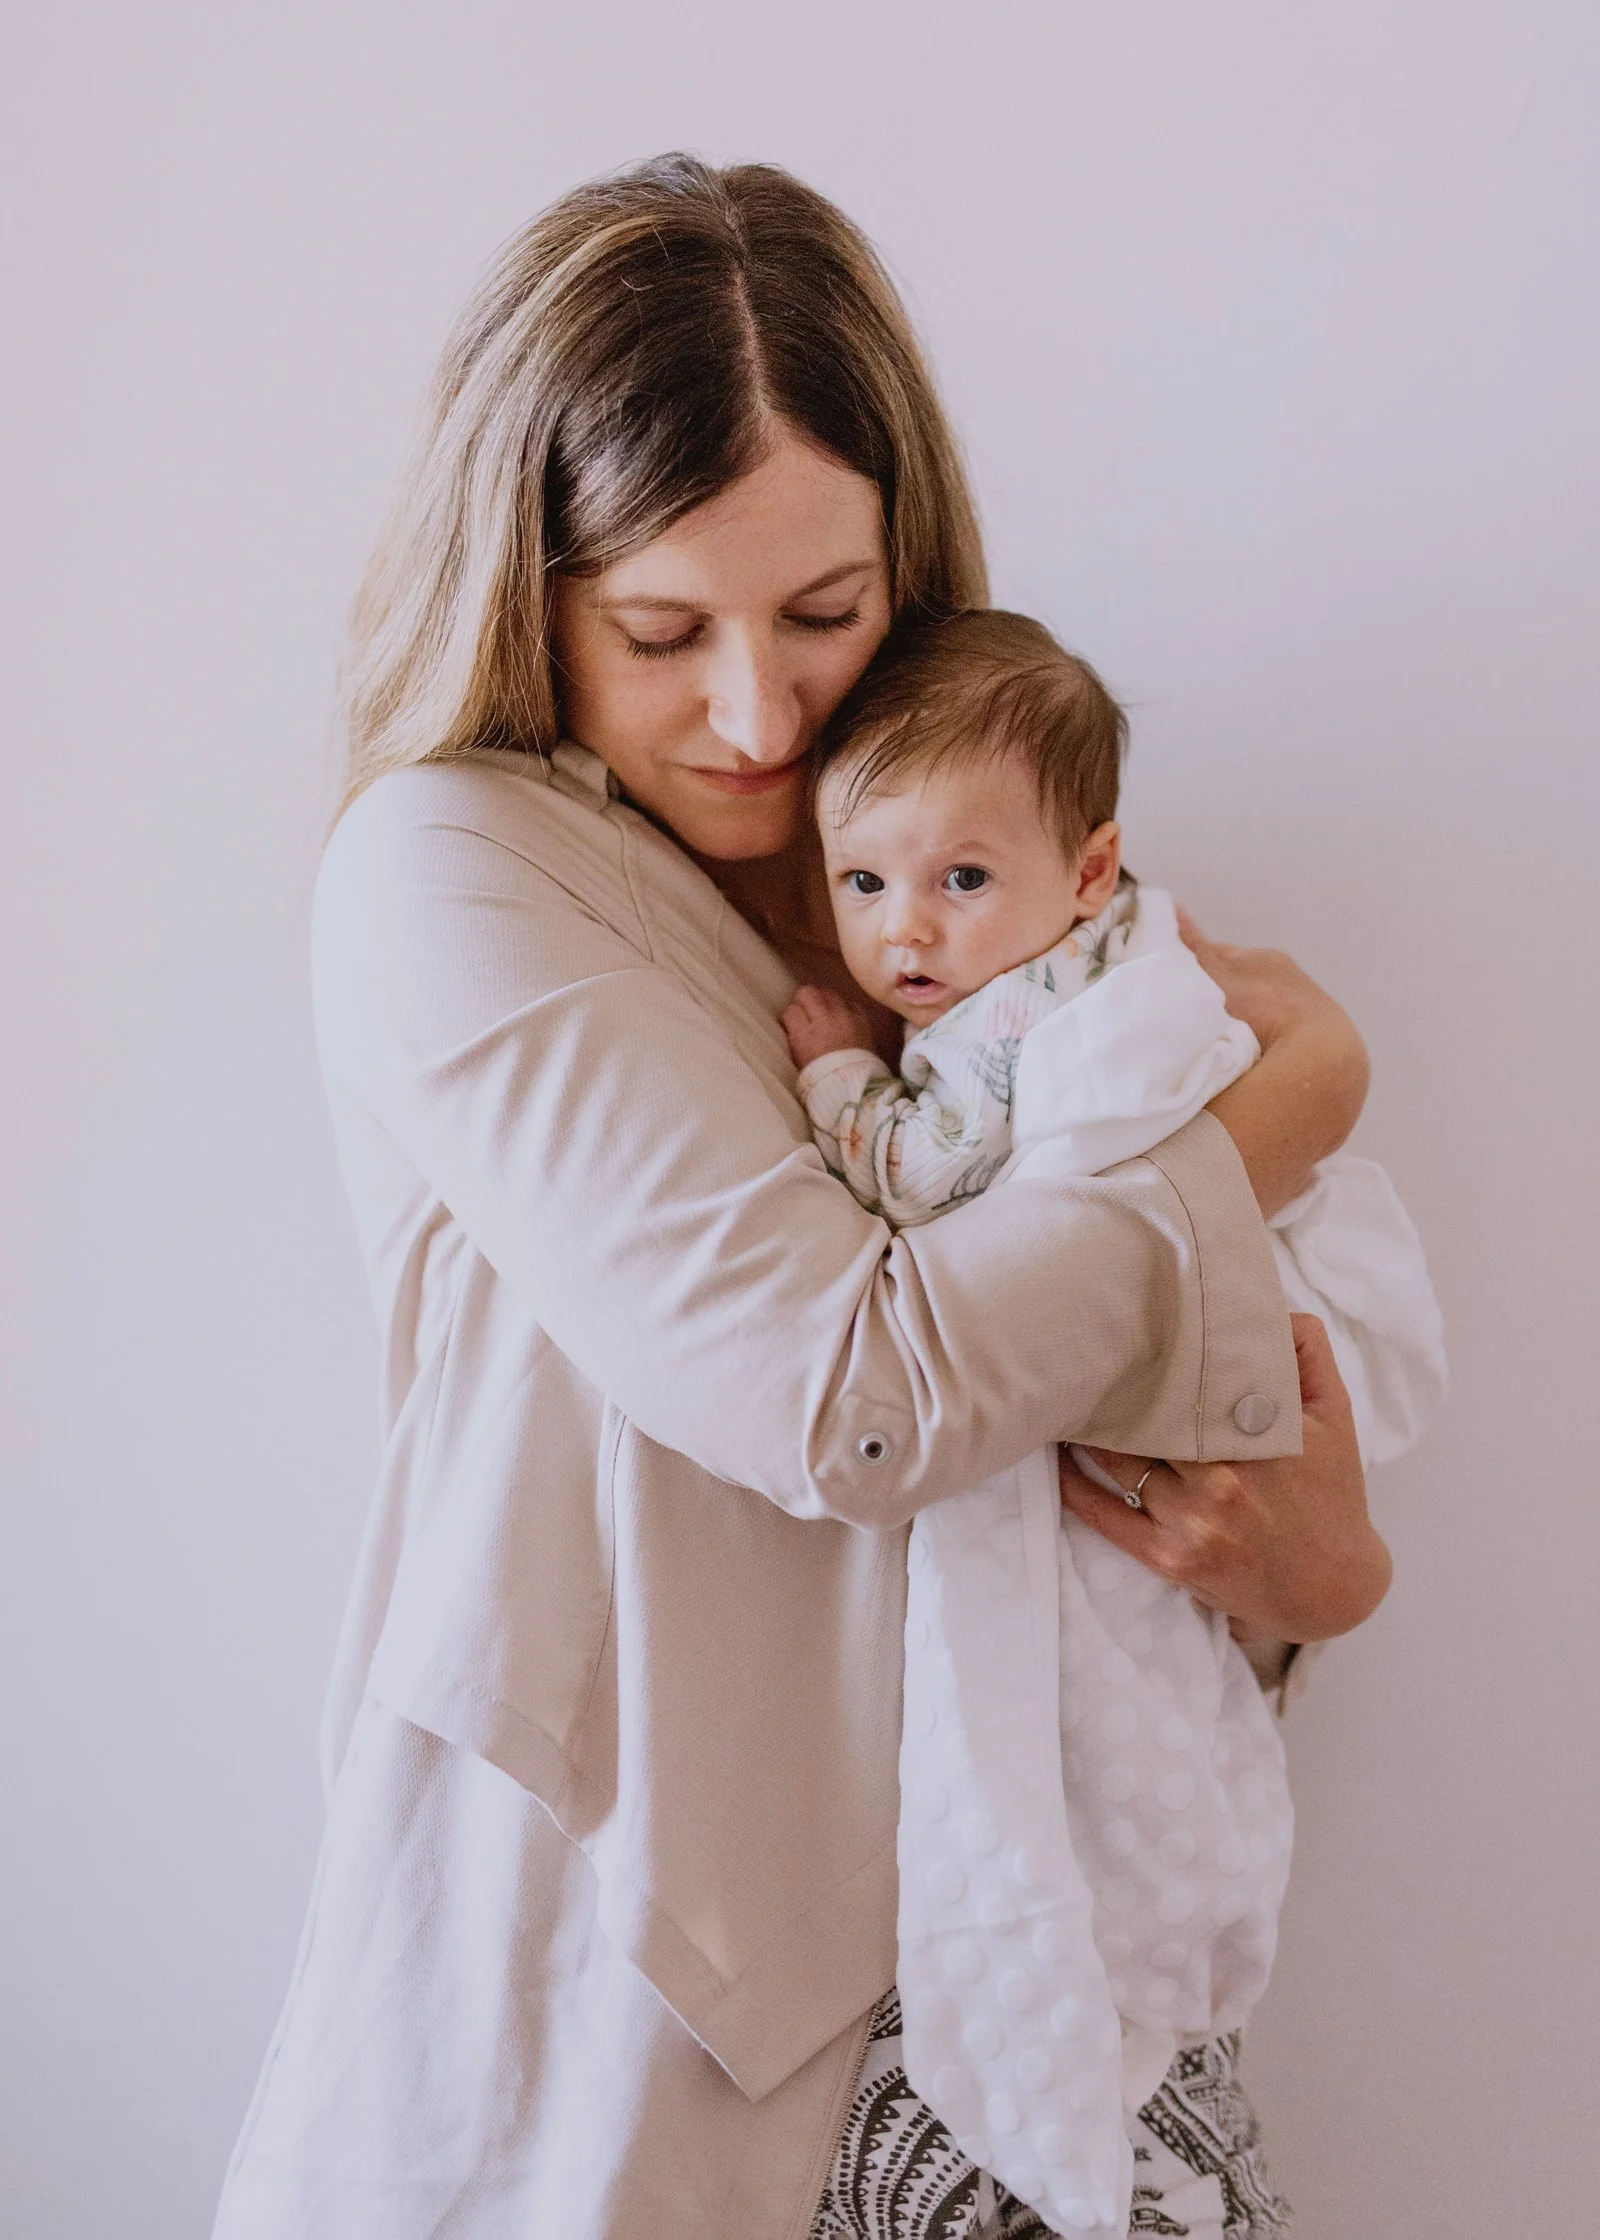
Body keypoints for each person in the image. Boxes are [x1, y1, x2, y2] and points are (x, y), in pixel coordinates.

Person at [212, 156, 1388, 2240]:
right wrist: (1275, 1114)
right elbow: (847, 1395)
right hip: (625, 2034)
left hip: (1042, 1974)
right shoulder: (453, 877)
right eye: (660, 630)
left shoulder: (969, 897)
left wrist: (1304, 1574)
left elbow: (1127, 1474)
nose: (758, 716)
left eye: (824, 617)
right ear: (525, 585)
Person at [781, 609, 1444, 2236]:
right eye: (863, 884)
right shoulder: (1083, 965)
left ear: (1090, 876)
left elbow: (928, 1178)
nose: (906, 934)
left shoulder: (1023, 1027)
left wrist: (831, 1086)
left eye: (958, 881)